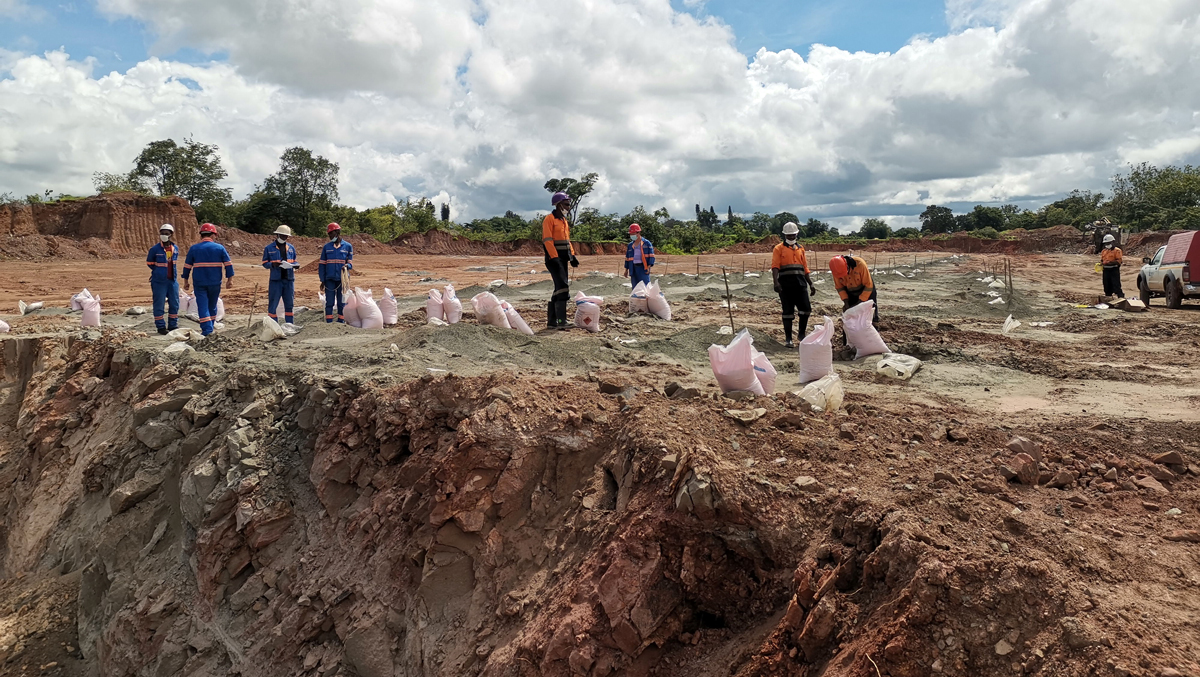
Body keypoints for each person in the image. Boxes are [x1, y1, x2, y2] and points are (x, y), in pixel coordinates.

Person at [181, 223, 234, 336]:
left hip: (199, 283)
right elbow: (228, 264)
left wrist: (186, 281)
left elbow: (187, 267)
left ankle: (207, 330)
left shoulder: (194, 249)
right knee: (212, 305)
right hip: (215, 282)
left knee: (202, 306)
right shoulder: (219, 248)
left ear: (201, 235)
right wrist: (230, 280)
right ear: (213, 235)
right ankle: (211, 326)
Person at [771, 221, 816, 347]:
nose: (791, 237)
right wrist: (776, 282)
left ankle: (801, 334)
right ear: (785, 235)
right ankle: (788, 339)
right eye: (788, 235)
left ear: (796, 234)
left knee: (806, 309)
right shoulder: (778, 249)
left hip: (800, 284)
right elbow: (775, 266)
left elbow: (805, 268)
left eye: (793, 235)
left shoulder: (801, 249)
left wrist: (811, 284)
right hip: (785, 284)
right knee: (788, 312)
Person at [542, 192, 578, 329]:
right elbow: (547, 240)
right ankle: (561, 321)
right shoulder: (549, 219)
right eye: (566, 204)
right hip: (553, 260)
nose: (568, 207)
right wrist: (554, 257)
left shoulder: (563, 221)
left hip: (563, 259)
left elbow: (567, 241)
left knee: (559, 288)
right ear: (558, 205)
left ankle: (552, 322)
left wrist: (572, 256)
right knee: (563, 287)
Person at [146, 223, 180, 335]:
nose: (164, 235)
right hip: (159, 281)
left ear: (171, 235)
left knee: (174, 303)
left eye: (166, 233)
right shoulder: (155, 249)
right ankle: (160, 327)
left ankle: (173, 325)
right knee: (159, 304)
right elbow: (150, 263)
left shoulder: (175, 248)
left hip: (172, 281)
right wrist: (158, 272)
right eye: (162, 233)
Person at [262, 225, 298, 324]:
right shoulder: (269, 248)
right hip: (276, 281)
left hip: (289, 280)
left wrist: (295, 265)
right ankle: (273, 325)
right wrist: (273, 264)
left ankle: (289, 325)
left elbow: (294, 261)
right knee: (273, 304)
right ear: (278, 234)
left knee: (289, 305)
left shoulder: (291, 248)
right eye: (283, 235)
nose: (285, 237)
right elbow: (265, 263)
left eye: (286, 236)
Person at [319, 222, 354, 323]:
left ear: (337, 232)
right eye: (329, 234)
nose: (330, 236)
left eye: (331, 233)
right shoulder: (326, 247)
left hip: (342, 280)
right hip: (329, 279)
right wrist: (322, 280)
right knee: (329, 302)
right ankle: (329, 322)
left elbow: (350, 263)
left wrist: (347, 266)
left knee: (341, 302)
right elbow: (322, 264)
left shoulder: (348, 246)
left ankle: (340, 322)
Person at [829, 254, 877, 324]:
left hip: (865, 289)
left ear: (847, 265)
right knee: (851, 318)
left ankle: (873, 327)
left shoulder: (860, 264)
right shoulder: (836, 271)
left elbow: (868, 285)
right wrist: (846, 302)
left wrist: (859, 303)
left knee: (870, 317)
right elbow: (840, 287)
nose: (844, 276)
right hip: (850, 291)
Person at [624, 223, 655, 288]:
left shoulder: (647, 243)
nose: (631, 236)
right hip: (633, 268)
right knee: (635, 287)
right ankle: (637, 298)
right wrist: (626, 270)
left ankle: (646, 298)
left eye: (633, 234)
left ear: (638, 233)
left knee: (646, 286)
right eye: (630, 234)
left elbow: (651, 256)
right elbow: (627, 258)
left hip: (643, 268)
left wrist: (649, 267)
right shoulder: (630, 245)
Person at [1100, 233, 1124, 298]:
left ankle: (1121, 300)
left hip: (1114, 270)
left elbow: (1118, 261)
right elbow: (1102, 260)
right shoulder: (1104, 251)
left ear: (1112, 242)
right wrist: (1102, 263)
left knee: (1116, 286)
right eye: (1106, 243)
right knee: (1107, 287)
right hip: (1106, 270)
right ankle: (1108, 300)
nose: (1107, 245)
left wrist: (1109, 263)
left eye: (1108, 243)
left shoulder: (1117, 251)